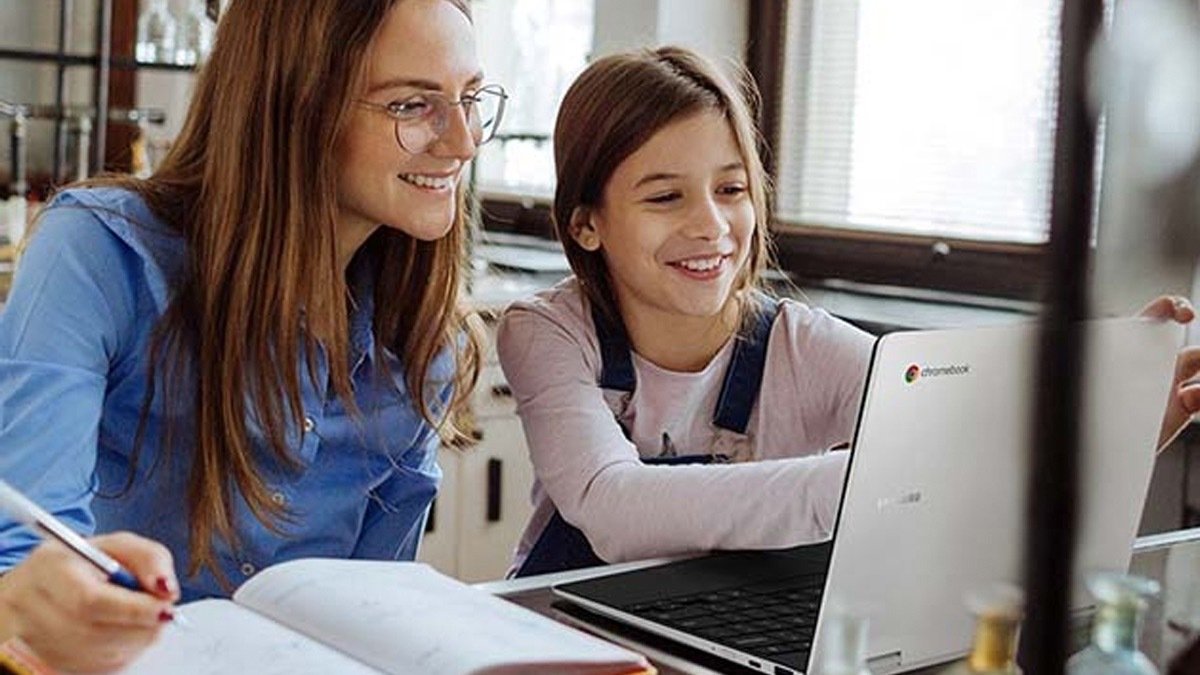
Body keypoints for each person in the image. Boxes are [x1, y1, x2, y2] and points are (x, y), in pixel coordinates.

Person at [495, 46, 1200, 577]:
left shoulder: (804, 346)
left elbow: (971, 448)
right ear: (586, 223)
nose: (712, 225)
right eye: (664, 196)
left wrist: (1122, 429)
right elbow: (614, 509)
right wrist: (876, 480)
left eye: (732, 188)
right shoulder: (548, 331)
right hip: (561, 636)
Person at [0, 0, 504, 670]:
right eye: (413, 105)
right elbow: (20, 554)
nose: (463, 141)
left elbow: (378, 620)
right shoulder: (98, 255)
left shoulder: (418, 340)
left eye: (470, 97)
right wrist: (45, 598)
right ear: (297, 107)